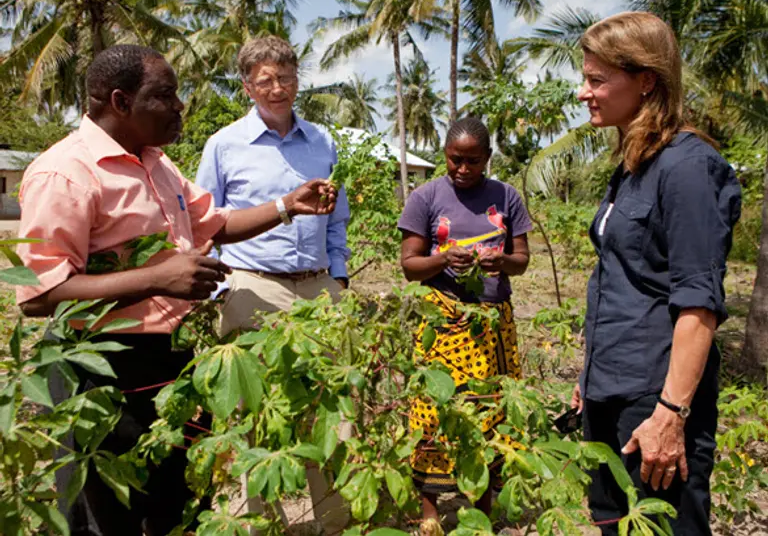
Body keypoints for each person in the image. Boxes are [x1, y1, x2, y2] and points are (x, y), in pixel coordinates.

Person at [15, 44, 337, 536]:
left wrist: (287, 206)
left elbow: (215, 222)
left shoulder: (157, 163)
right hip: (99, 366)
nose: (179, 106)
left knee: (175, 502)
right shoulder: (65, 173)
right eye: (165, 95)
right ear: (121, 102)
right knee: (107, 512)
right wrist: (156, 279)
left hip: (170, 360)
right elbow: (39, 296)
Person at [570, 12, 741, 535]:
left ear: (646, 81)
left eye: (597, 80)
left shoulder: (687, 168)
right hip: (608, 389)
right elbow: (623, 280)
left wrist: (670, 413)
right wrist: (588, 376)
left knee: (665, 526)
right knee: (613, 521)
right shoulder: (633, 164)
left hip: (653, 397)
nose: (583, 92)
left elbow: (699, 303)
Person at [195, 35, 350, 534]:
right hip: (252, 288)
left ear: (298, 80)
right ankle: (249, 523)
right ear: (247, 87)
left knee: (330, 408)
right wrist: (220, 291)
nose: (277, 89)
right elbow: (204, 223)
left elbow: (338, 218)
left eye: (285, 78)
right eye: (265, 81)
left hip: (319, 289)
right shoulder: (224, 144)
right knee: (248, 411)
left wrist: (339, 275)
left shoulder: (322, 141)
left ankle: (332, 521)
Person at [397, 117, 532, 533]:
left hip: (491, 324)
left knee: (488, 412)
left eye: (473, 161)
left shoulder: (506, 196)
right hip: (442, 322)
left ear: (488, 157)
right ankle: (430, 514)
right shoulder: (425, 197)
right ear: (445, 154)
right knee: (434, 411)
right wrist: (442, 259)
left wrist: (501, 261)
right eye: (455, 159)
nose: (463, 168)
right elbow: (409, 266)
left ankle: (481, 512)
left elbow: (522, 260)